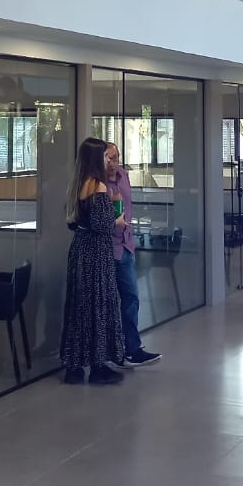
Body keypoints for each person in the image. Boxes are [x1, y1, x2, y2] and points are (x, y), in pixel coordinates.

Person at [60, 137, 126, 384]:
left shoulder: (76, 185)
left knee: (79, 308)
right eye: (105, 156)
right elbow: (103, 225)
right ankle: (98, 365)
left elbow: (73, 223)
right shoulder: (98, 186)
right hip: (97, 254)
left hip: (79, 250)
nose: (108, 160)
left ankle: (74, 366)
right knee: (99, 306)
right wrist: (117, 219)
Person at [103, 141, 160, 368]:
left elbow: (127, 207)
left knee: (131, 298)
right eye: (109, 157)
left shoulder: (124, 176)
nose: (113, 162)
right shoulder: (97, 183)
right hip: (108, 248)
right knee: (108, 302)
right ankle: (110, 351)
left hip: (126, 245)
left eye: (116, 157)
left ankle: (132, 348)